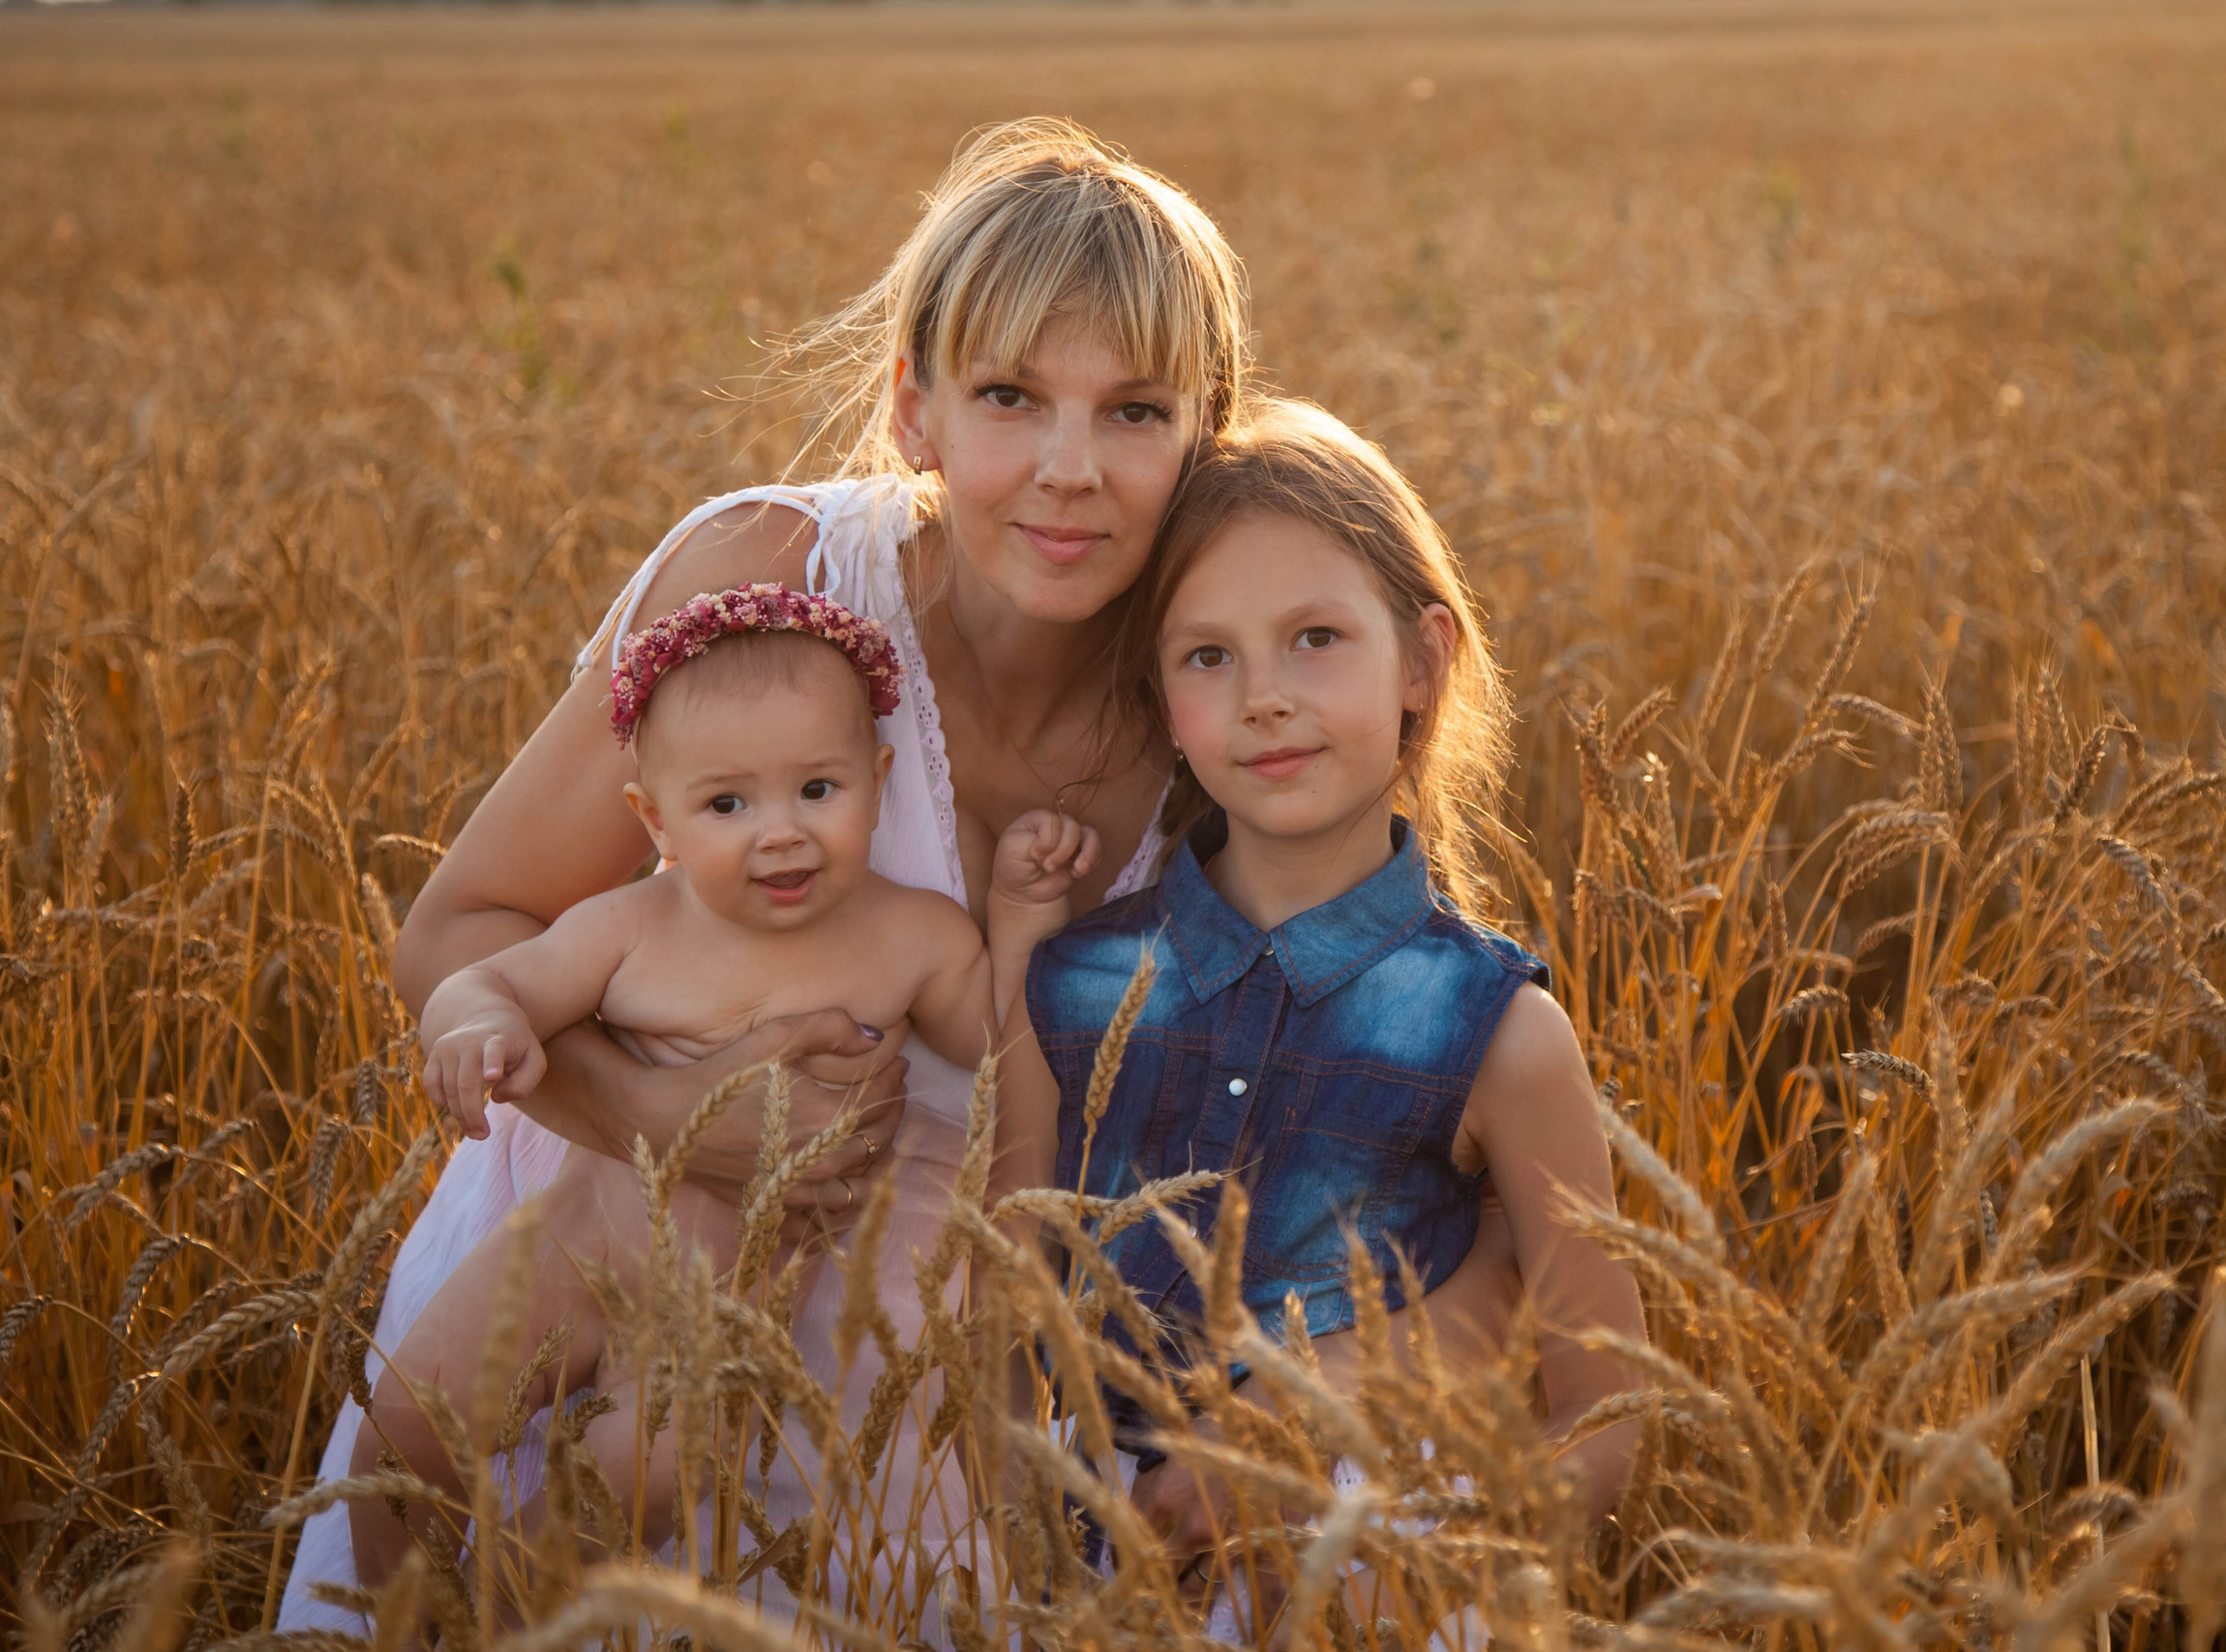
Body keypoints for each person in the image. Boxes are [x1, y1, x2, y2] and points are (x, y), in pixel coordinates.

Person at [278, 117, 1255, 1635]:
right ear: (914, 408)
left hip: (937, 1366)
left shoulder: (1226, 686)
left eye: (1134, 410)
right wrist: (677, 1114)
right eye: (1010, 396)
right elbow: (462, 931)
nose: (1070, 470)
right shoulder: (773, 582)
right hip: (614, 1276)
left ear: (1205, 436)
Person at [986, 401, 1646, 1638]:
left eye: (1315, 639)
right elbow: (1003, 1316)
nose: (1264, 698)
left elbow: (1608, 1416)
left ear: (1422, 663)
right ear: (1159, 696)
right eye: (1207, 657)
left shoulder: (1498, 1034)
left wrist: (1426, 1576)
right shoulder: (1070, 987)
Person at [347, 588, 1002, 1587]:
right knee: (404, 1424)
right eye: (726, 805)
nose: (779, 834)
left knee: (643, 1481)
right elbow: (488, 980)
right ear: (655, 818)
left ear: (876, 783)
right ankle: (388, 1619)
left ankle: (499, 1612)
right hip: (572, 1250)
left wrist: (1025, 916)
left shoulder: (914, 937)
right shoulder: (631, 928)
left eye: (816, 789)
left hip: (720, 1318)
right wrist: (479, 1027)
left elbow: (997, 1045)